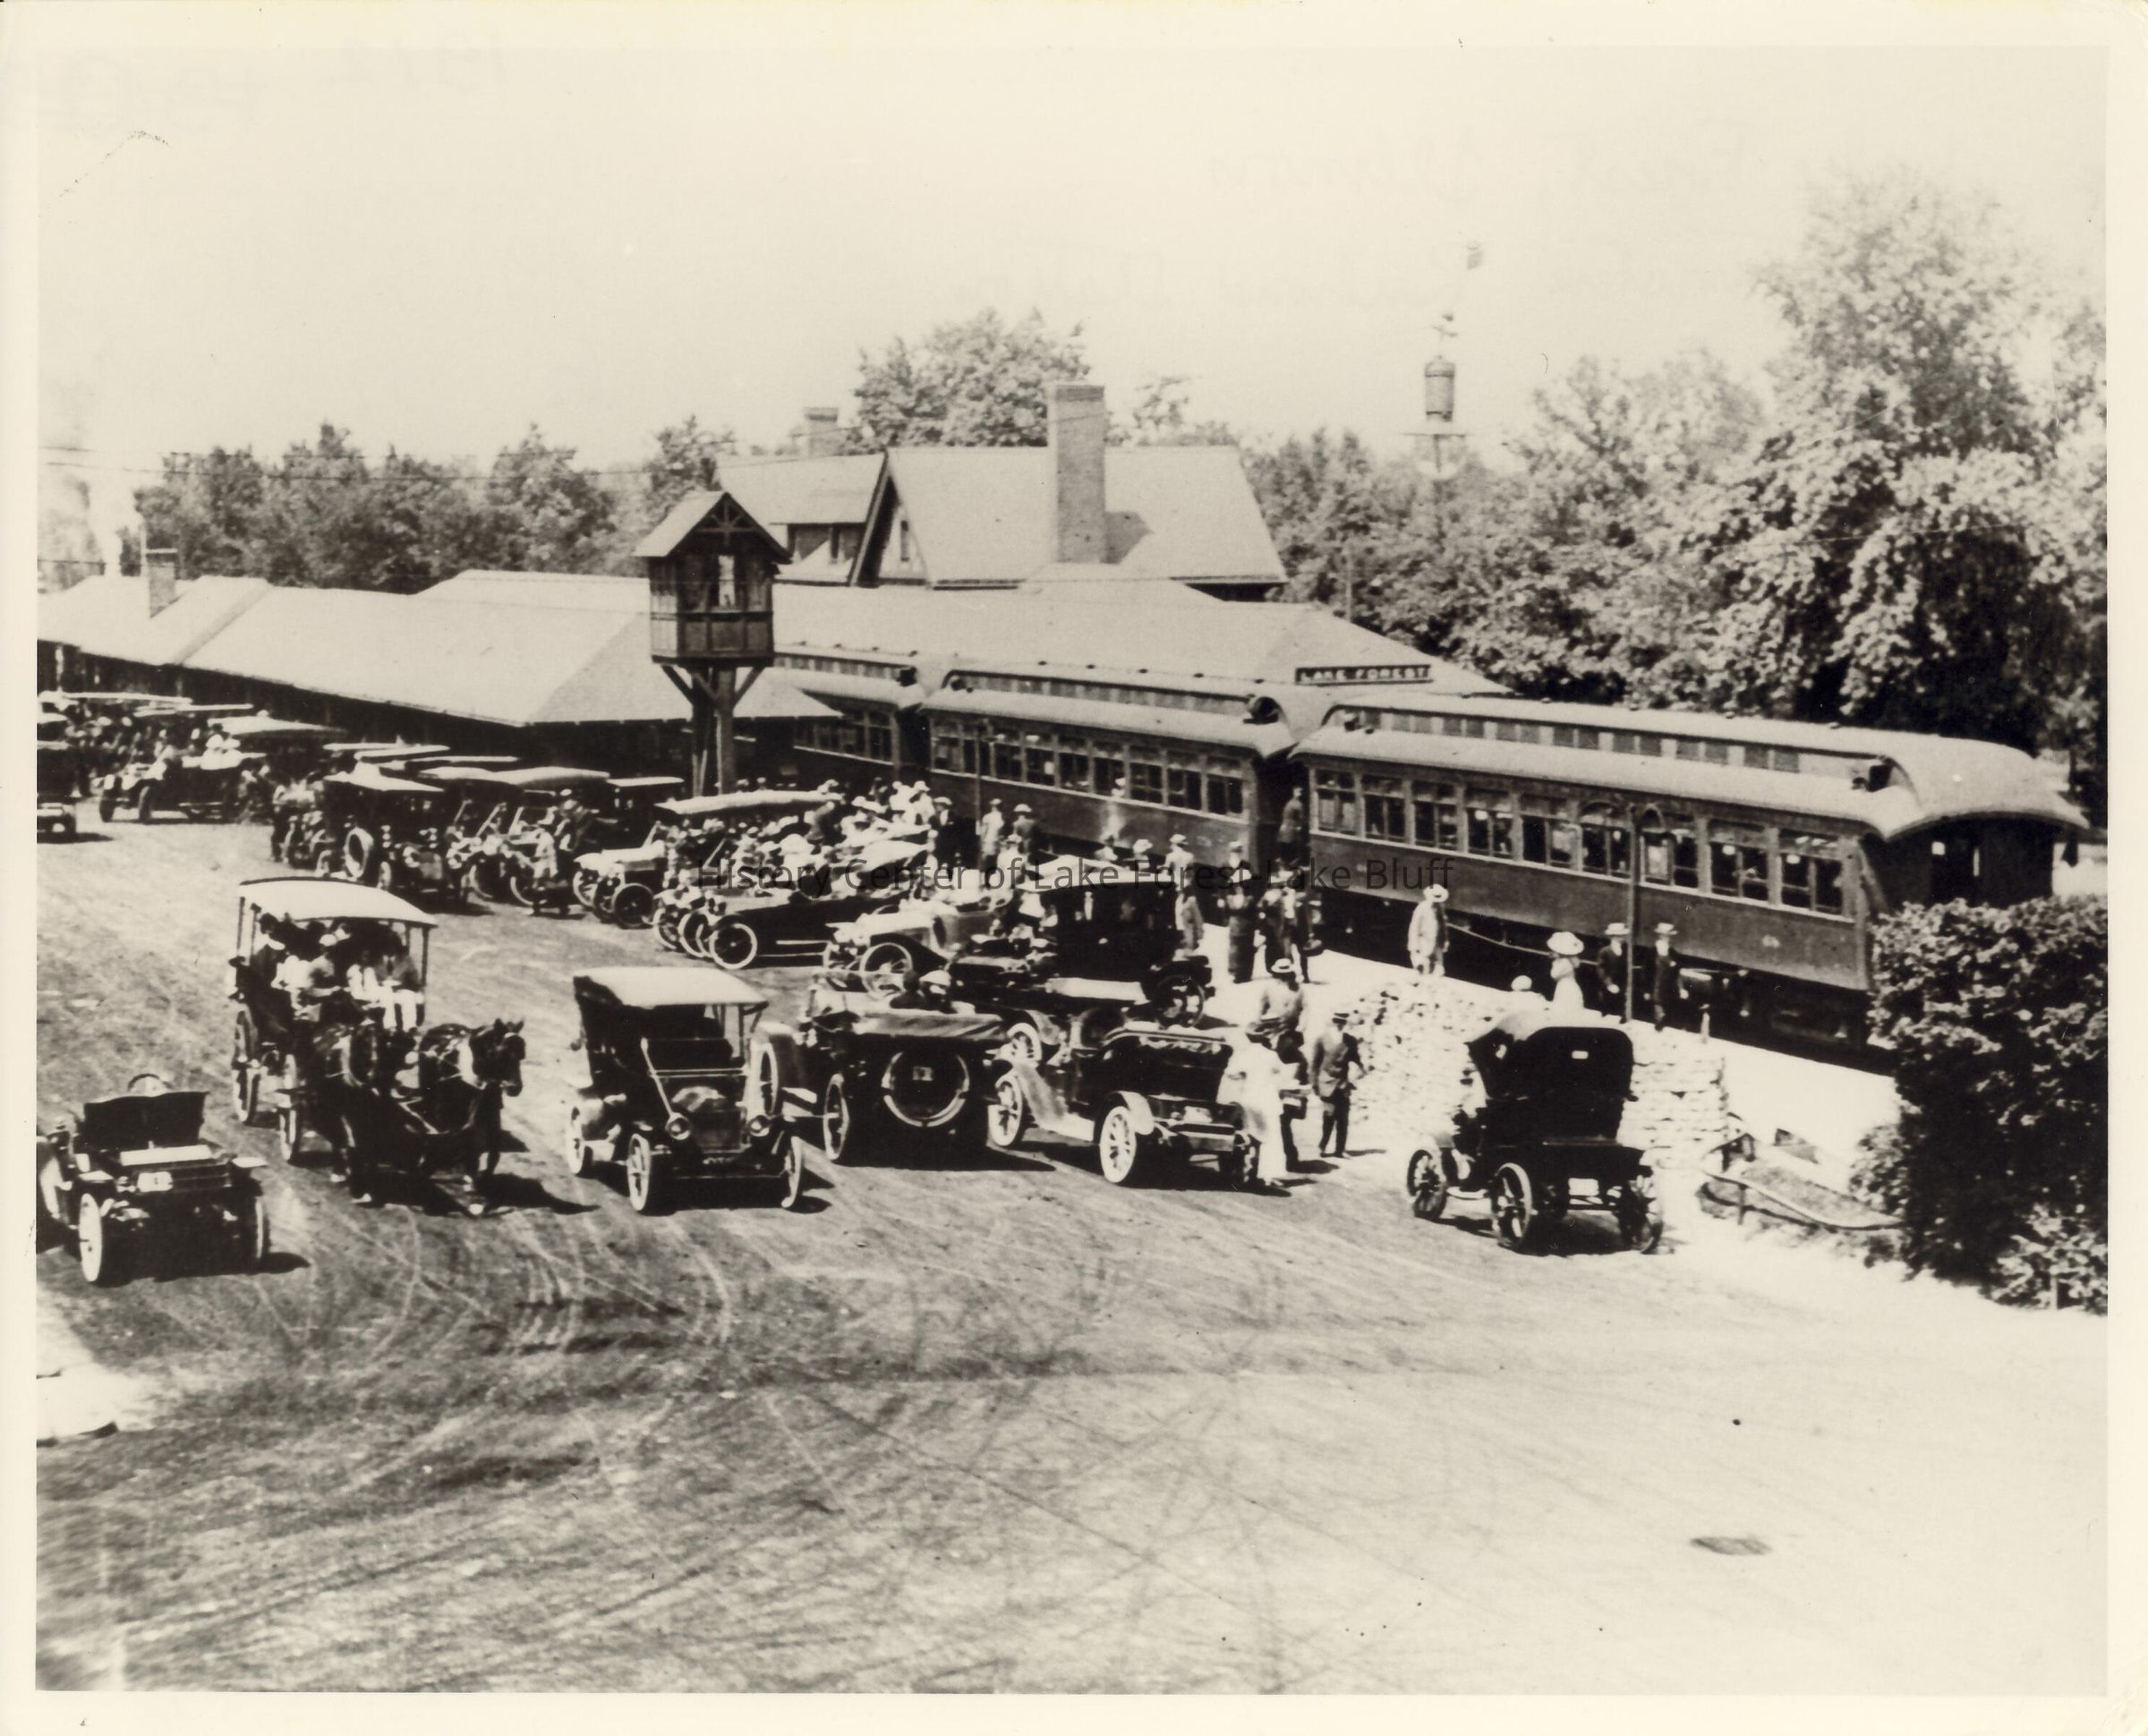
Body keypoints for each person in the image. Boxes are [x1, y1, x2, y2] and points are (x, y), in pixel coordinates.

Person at [1308, 1008, 1364, 1158]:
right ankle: (1322, 1146)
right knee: (1329, 1115)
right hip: (1326, 1083)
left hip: (1343, 1084)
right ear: (1332, 1022)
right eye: (1336, 1021)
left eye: (1342, 1022)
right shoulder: (1321, 1040)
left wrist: (1361, 1069)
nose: (1339, 1024)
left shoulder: (1350, 1041)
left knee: (1343, 1118)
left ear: (1345, 1023)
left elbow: (1356, 1059)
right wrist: (1314, 1084)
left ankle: (1340, 1149)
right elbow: (1314, 1064)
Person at [1222, 844, 1261, 984]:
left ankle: (1242, 972)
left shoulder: (1246, 866)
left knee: (1241, 946)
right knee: (1240, 946)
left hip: (1243, 922)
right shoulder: (1225, 866)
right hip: (1241, 922)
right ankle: (1239, 971)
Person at [1249, 956, 1304, 1048]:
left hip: (1292, 1027)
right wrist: (1258, 1021)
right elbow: (1262, 1006)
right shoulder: (1270, 988)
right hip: (1273, 1026)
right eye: (1281, 974)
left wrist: (1301, 1026)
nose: (1284, 977)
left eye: (1287, 974)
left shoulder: (1298, 989)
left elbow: (1304, 1008)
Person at [1164, 834, 1202, 954]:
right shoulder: (1189, 856)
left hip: (1174, 887)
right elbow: (1191, 875)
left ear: (1174, 844)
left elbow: (1165, 873)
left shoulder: (1171, 856)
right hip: (1187, 887)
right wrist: (1184, 883)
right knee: (1187, 916)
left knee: (1174, 914)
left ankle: (1178, 942)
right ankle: (1190, 943)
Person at [1588, 923, 1631, 1017]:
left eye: (1623, 936)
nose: (1623, 938)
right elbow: (1601, 969)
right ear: (1614, 937)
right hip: (1608, 988)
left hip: (1621, 987)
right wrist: (1609, 984)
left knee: (1620, 1010)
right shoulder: (1604, 951)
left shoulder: (1625, 951)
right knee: (1607, 1010)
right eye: (1621, 936)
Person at [1407, 884, 1450, 976]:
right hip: (1423, 941)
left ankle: (1429, 982)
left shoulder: (1439, 909)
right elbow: (1414, 927)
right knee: (1422, 966)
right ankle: (1417, 980)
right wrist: (1414, 945)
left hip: (1436, 943)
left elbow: (1443, 926)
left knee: (1438, 970)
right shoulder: (1422, 907)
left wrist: (1445, 940)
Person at [1649, 922, 1683, 1031]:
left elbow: (1676, 971)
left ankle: (1663, 1021)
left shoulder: (1672, 952)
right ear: (1660, 935)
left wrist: (1681, 987)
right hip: (1657, 982)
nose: (1668, 938)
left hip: (1667, 983)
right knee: (1658, 1002)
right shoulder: (1653, 951)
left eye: (1669, 936)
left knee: (1665, 1001)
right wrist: (1646, 989)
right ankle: (1659, 1021)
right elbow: (1647, 970)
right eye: (1666, 935)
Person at [1547, 931, 1587, 1010]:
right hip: (1567, 986)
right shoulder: (1567, 961)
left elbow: (1554, 974)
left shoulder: (1564, 962)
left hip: (1566, 988)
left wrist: (1555, 962)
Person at [1274, 787, 1308, 873]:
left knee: (1285, 847)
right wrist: (1299, 826)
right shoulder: (1298, 804)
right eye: (1299, 792)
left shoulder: (1289, 803)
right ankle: (1294, 864)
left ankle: (1284, 863)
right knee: (1298, 846)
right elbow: (1301, 817)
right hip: (1291, 828)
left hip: (1285, 828)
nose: (1300, 794)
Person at [976, 799, 1006, 879]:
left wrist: (982, 842)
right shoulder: (1001, 816)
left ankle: (988, 879)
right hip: (996, 841)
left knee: (989, 861)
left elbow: (983, 831)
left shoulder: (988, 816)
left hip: (991, 841)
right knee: (994, 861)